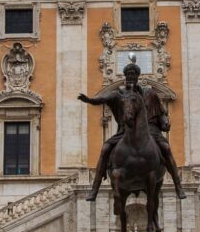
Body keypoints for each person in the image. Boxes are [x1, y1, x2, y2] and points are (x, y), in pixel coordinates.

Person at [79, 62, 186, 201]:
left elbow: (160, 111)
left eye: (133, 74)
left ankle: (178, 186)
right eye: (128, 74)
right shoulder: (120, 94)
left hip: (150, 132)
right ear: (125, 76)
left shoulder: (150, 93)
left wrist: (164, 121)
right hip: (124, 132)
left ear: (137, 76)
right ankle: (95, 189)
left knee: (165, 148)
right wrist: (89, 100)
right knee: (105, 149)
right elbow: (103, 99)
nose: (130, 77)